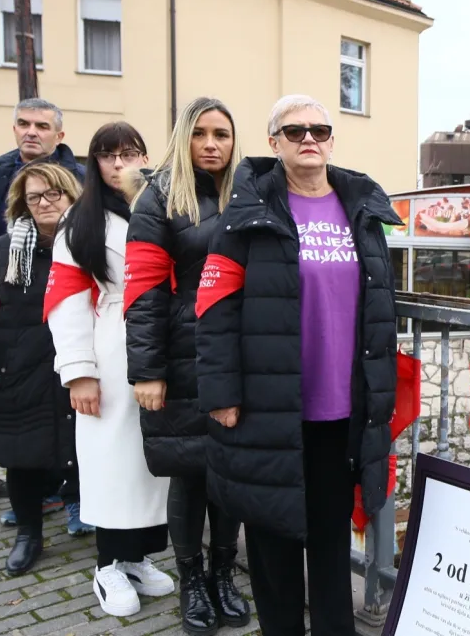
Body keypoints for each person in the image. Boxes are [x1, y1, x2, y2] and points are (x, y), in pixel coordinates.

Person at [194, 94, 403, 636]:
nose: (308, 138)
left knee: (331, 541)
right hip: (270, 410)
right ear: (273, 144)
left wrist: (381, 394)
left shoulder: (361, 210)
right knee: (273, 542)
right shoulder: (247, 215)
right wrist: (221, 394)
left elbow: (381, 313)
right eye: (294, 132)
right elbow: (214, 310)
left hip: (342, 413)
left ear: (332, 140)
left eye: (319, 129)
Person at [125, 97, 249, 635]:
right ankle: (193, 580)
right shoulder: (158, 199)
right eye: (200, 134)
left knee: (231, 472)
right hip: (180, 357)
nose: (211, 145)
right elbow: (143, 294)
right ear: (183, 138)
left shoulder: (247, 193)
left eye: (221, 134)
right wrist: (146, 371)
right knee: (189, 473)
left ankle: (225, 576)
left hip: (239, 354)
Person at [47, 121, 173, 618]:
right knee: (112, 463)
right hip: (109, 350)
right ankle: (107, 564)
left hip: (159, 346)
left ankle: (138, 556)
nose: (120, 164)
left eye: (130, 153)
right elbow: (65, 299)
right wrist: (78, 371)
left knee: (152, 462)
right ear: (94, 163)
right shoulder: (82, 221)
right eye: (108, 155)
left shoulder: (160, 205)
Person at [0, 98, 85, 523]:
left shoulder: (82, 195)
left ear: (59, 134)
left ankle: (73, 500)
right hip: (9, 321)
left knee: (70, 424)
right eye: (23, 123)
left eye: (41, 125)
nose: (31, 131)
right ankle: (8, 495)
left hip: (65, 335)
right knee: (9, 421)